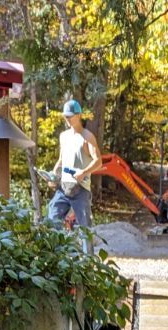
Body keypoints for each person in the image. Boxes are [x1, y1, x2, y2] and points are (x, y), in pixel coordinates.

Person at [47, 98, 101, 237]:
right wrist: (53, 175)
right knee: (52, 218)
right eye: (65, 116)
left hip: (81, 189)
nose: (67, 119)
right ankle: (58, 254)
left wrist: (84, 172)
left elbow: (98, 161)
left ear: (79, 115)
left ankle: (88, 257)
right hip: (63, 188)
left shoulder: (87, 137)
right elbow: (61, 160)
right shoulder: (63, 136)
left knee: (84, 228)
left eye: (70, 116)